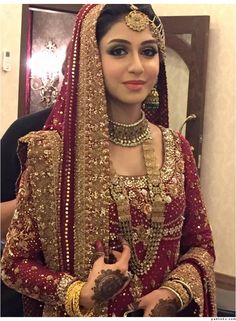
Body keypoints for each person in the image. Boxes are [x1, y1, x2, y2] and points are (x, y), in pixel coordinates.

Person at [1, 4, 216, 317]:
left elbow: (201, 246)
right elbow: (14, 265)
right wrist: (79, 293)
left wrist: (173, 292)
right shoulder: (50, 153)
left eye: (148, 51)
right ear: (90, 59)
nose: (138, 66)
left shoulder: (176, 147)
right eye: (118, 51)